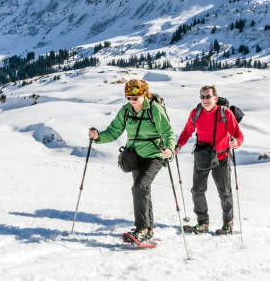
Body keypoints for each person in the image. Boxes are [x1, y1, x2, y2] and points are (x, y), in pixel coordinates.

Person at [88, 79, 175, 244]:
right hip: (134, 156)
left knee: (139, 186)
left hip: (155, 154)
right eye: (128, 97)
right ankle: (148, 229)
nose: (131, 101)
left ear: (144, 94)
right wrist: (98, 137)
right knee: (142, 190)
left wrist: (169, 150)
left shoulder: (154, 109)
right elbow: (114, 131)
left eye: (134, 98)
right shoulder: (126, 110)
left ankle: (141, 228)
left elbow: (168, 132)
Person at [175, 85, 243, 235]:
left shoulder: (225, 113)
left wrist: (236, 142)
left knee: (224, 192)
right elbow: (187, 131)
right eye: (202, 97)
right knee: (197, 191)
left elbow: (238, 134)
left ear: (215, 99)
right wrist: (179, 145)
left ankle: (228, 223)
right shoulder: (196, 113)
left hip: (222, 157)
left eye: (208, 96)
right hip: (202, 156)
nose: (205, 100)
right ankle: (203, 223)